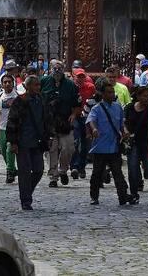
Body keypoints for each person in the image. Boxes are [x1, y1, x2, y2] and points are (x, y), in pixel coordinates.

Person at [7, 75, 53, 210]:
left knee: (39, 170)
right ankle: (26, 200)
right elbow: (12, 121)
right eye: (35, 85)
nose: (38, 87)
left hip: (37, 142)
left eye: (39, 85)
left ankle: (26, 192)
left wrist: (49, 135)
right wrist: (13, 142)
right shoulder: (19, 101)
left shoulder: (41, 100)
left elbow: (47, 119)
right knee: (24, 172)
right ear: (27, 86)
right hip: (23, 142)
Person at [86, 78, 133, 206]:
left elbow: (121, 123)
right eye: (109, 92)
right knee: (97, 173)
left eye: (112, 92)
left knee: (118, 173)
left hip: (114, 146)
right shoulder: (97, 108)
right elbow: (91, 120)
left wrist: (125, 131)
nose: (112, 94)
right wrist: (94, 129)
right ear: (103, 94)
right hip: (100, 146)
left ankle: (123, 196)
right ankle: (94, 196)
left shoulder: (118, 107)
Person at [41, 60, 81, 188]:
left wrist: (74, 114)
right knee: (51, 149)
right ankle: (53, 176)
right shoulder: (44, 82)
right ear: (50, 69)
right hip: (49, 122)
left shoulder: (71, 85)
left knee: (68, 148)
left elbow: (78, 104)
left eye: (59, 68)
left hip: (65, 122)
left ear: (63, 70)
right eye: (55, 68)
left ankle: (63, 170)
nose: (57, 71)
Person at [125, 87, 148, 202]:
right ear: (138, 96)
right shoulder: (129, 108)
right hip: (133, 143)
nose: (146, 98)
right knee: (133, 169)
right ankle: (134, 193)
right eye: (144, 96)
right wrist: (126, 132)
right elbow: (124, 122)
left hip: (147, 143)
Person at [70, 68, 95, 180]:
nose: (80, 79)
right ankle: (74, 166)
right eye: (78, 76)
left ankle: (82, 167)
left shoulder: (90, 87)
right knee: (75, 141)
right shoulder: (71, 87)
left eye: (82, 76)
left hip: (87, 117)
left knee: (85, 143)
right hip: (75, 116)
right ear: (73, 77)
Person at [0, 74, 19, 184]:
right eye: (5, 82)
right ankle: (13, 170)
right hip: (2, 128)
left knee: (10, 149)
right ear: (2, 84)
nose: (7, 84)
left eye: (9, 82)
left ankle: (9, 172)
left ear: (13, 83)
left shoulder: (18, 96)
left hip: (14, 128)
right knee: (3, 151)